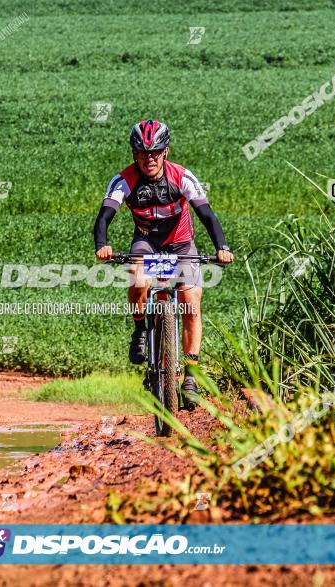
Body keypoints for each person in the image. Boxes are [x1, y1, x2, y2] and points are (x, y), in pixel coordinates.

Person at [93, 119, 233, 409]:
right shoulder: (124, 180)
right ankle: (140, 329)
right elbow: (104, 217)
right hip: (146, 242)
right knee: (137, 277)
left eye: (155, 151)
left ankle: (191, 376)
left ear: (165, 151)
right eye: (143, 152)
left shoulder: (181, 176)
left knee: (190, 300)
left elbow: (207, 215)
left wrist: (222, 247)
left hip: (181, 243)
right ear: (134, 154)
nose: (149, 158)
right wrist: (102, 245)